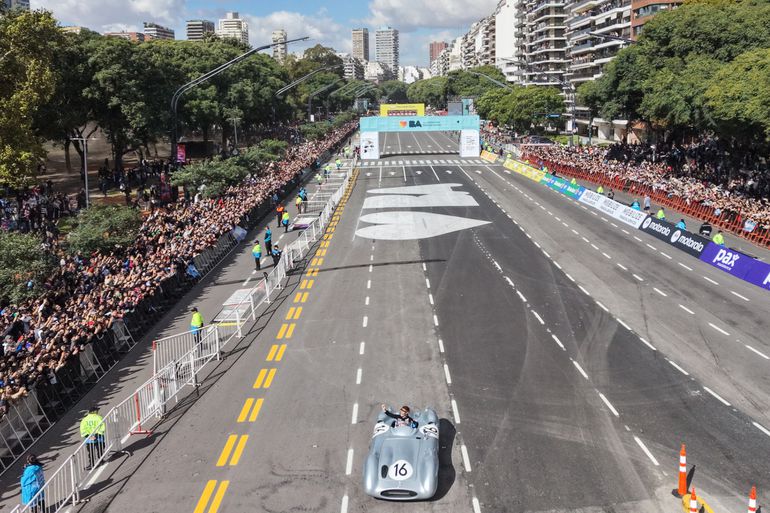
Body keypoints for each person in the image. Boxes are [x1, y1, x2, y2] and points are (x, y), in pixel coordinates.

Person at [80, 406, 105, 470]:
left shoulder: (84, 420)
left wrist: (88, 436)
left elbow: (83, 430)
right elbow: (102, 427)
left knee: (91, 452)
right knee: (100, 449)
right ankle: (101, 460)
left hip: (89, 439)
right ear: (94, 411)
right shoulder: (98, 417)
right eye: (97, 410)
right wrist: (97, 435)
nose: (98, 411)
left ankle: (91, 464)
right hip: (99, 437)